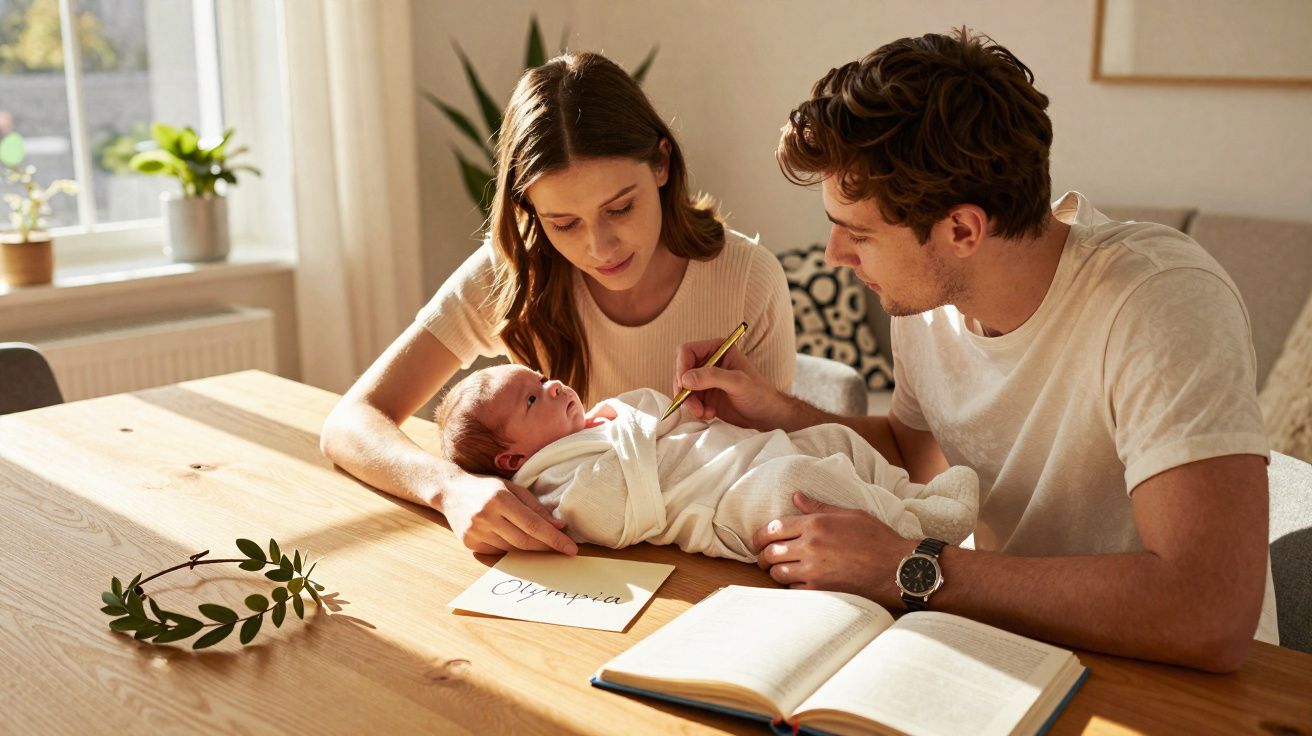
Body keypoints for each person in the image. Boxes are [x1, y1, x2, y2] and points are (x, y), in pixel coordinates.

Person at [673, 28, 1275, 672]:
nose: (834, 257)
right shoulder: (931, 304)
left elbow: (1207, 611)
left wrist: (910, 566)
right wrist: (774, 411)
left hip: (1172, 677)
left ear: (962, 228)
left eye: (859, 235)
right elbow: (914, 451)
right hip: (1009, 645)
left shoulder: (1159, 301)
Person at [319, 52, 796, 558]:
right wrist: (450, 487)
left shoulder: (747, 279)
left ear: (662, 164)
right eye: (564, 224)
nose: (600, 248)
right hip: (580, 573)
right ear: (530, 210)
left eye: (620, 208)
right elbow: (350, 422)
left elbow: (786, 452)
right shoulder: (512, 274)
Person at [432, 363, 979, 562]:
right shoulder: (555, 488)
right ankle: (915, 530)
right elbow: (620, 514)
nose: (552, 387)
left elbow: (656, 415)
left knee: (833, 436)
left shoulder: (603, 418)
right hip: (727, 503)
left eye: (540, 378)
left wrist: (649, 413)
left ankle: (912, 497)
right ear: (513, 457)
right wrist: (640, 428)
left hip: (748, 451)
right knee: (800, 485)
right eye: (533, 400)